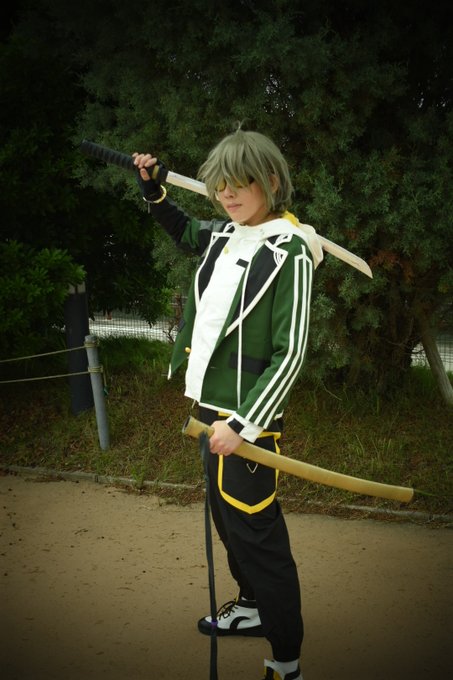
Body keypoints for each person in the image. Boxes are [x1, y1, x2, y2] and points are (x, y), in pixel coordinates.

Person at [133, 126, 322, 680]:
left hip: (246, 424)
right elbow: (183, 229)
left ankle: (286, 661)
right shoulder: (221, 235)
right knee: (227, 522)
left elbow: (291, 353)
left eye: (240, 183)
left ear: (272, 182)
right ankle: (253, 606)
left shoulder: (290, 253)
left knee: (259, 538)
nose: (226, 195)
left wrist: (244, 423)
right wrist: (153, 190)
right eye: (220, 185)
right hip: (207, 414)